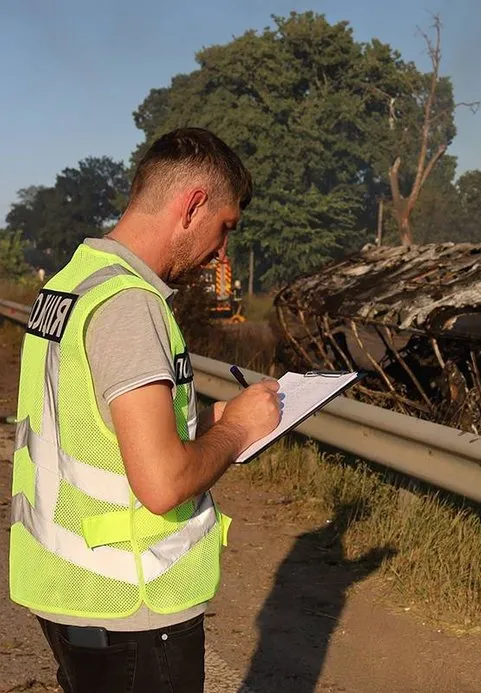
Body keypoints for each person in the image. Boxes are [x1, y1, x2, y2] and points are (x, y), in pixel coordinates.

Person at [7, 127, 283, 692]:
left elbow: (94, 431)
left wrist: (209, 423)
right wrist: (235, 434)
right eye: (224, 228)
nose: (220, 253)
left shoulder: (71, 284)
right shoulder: (131, 306)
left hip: (70, 590)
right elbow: (160, 484)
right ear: (193, 205)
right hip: (131, 603)